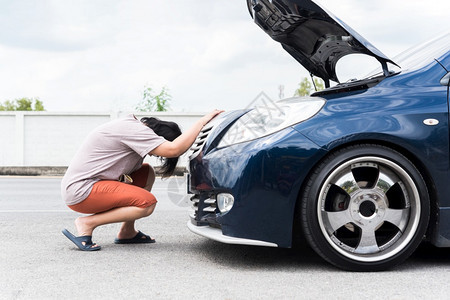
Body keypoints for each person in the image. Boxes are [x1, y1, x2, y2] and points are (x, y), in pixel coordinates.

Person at [61, 110, 223, 251]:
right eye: (157, 151)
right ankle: (87, 224)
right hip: (82, 190)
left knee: (146, 172)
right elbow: (173, 149)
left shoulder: (131, 126)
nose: (154, 155)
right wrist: (202, 122)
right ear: (158, 136)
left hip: (87, 185)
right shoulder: (135, 130)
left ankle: (127, 232)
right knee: (147, 203)